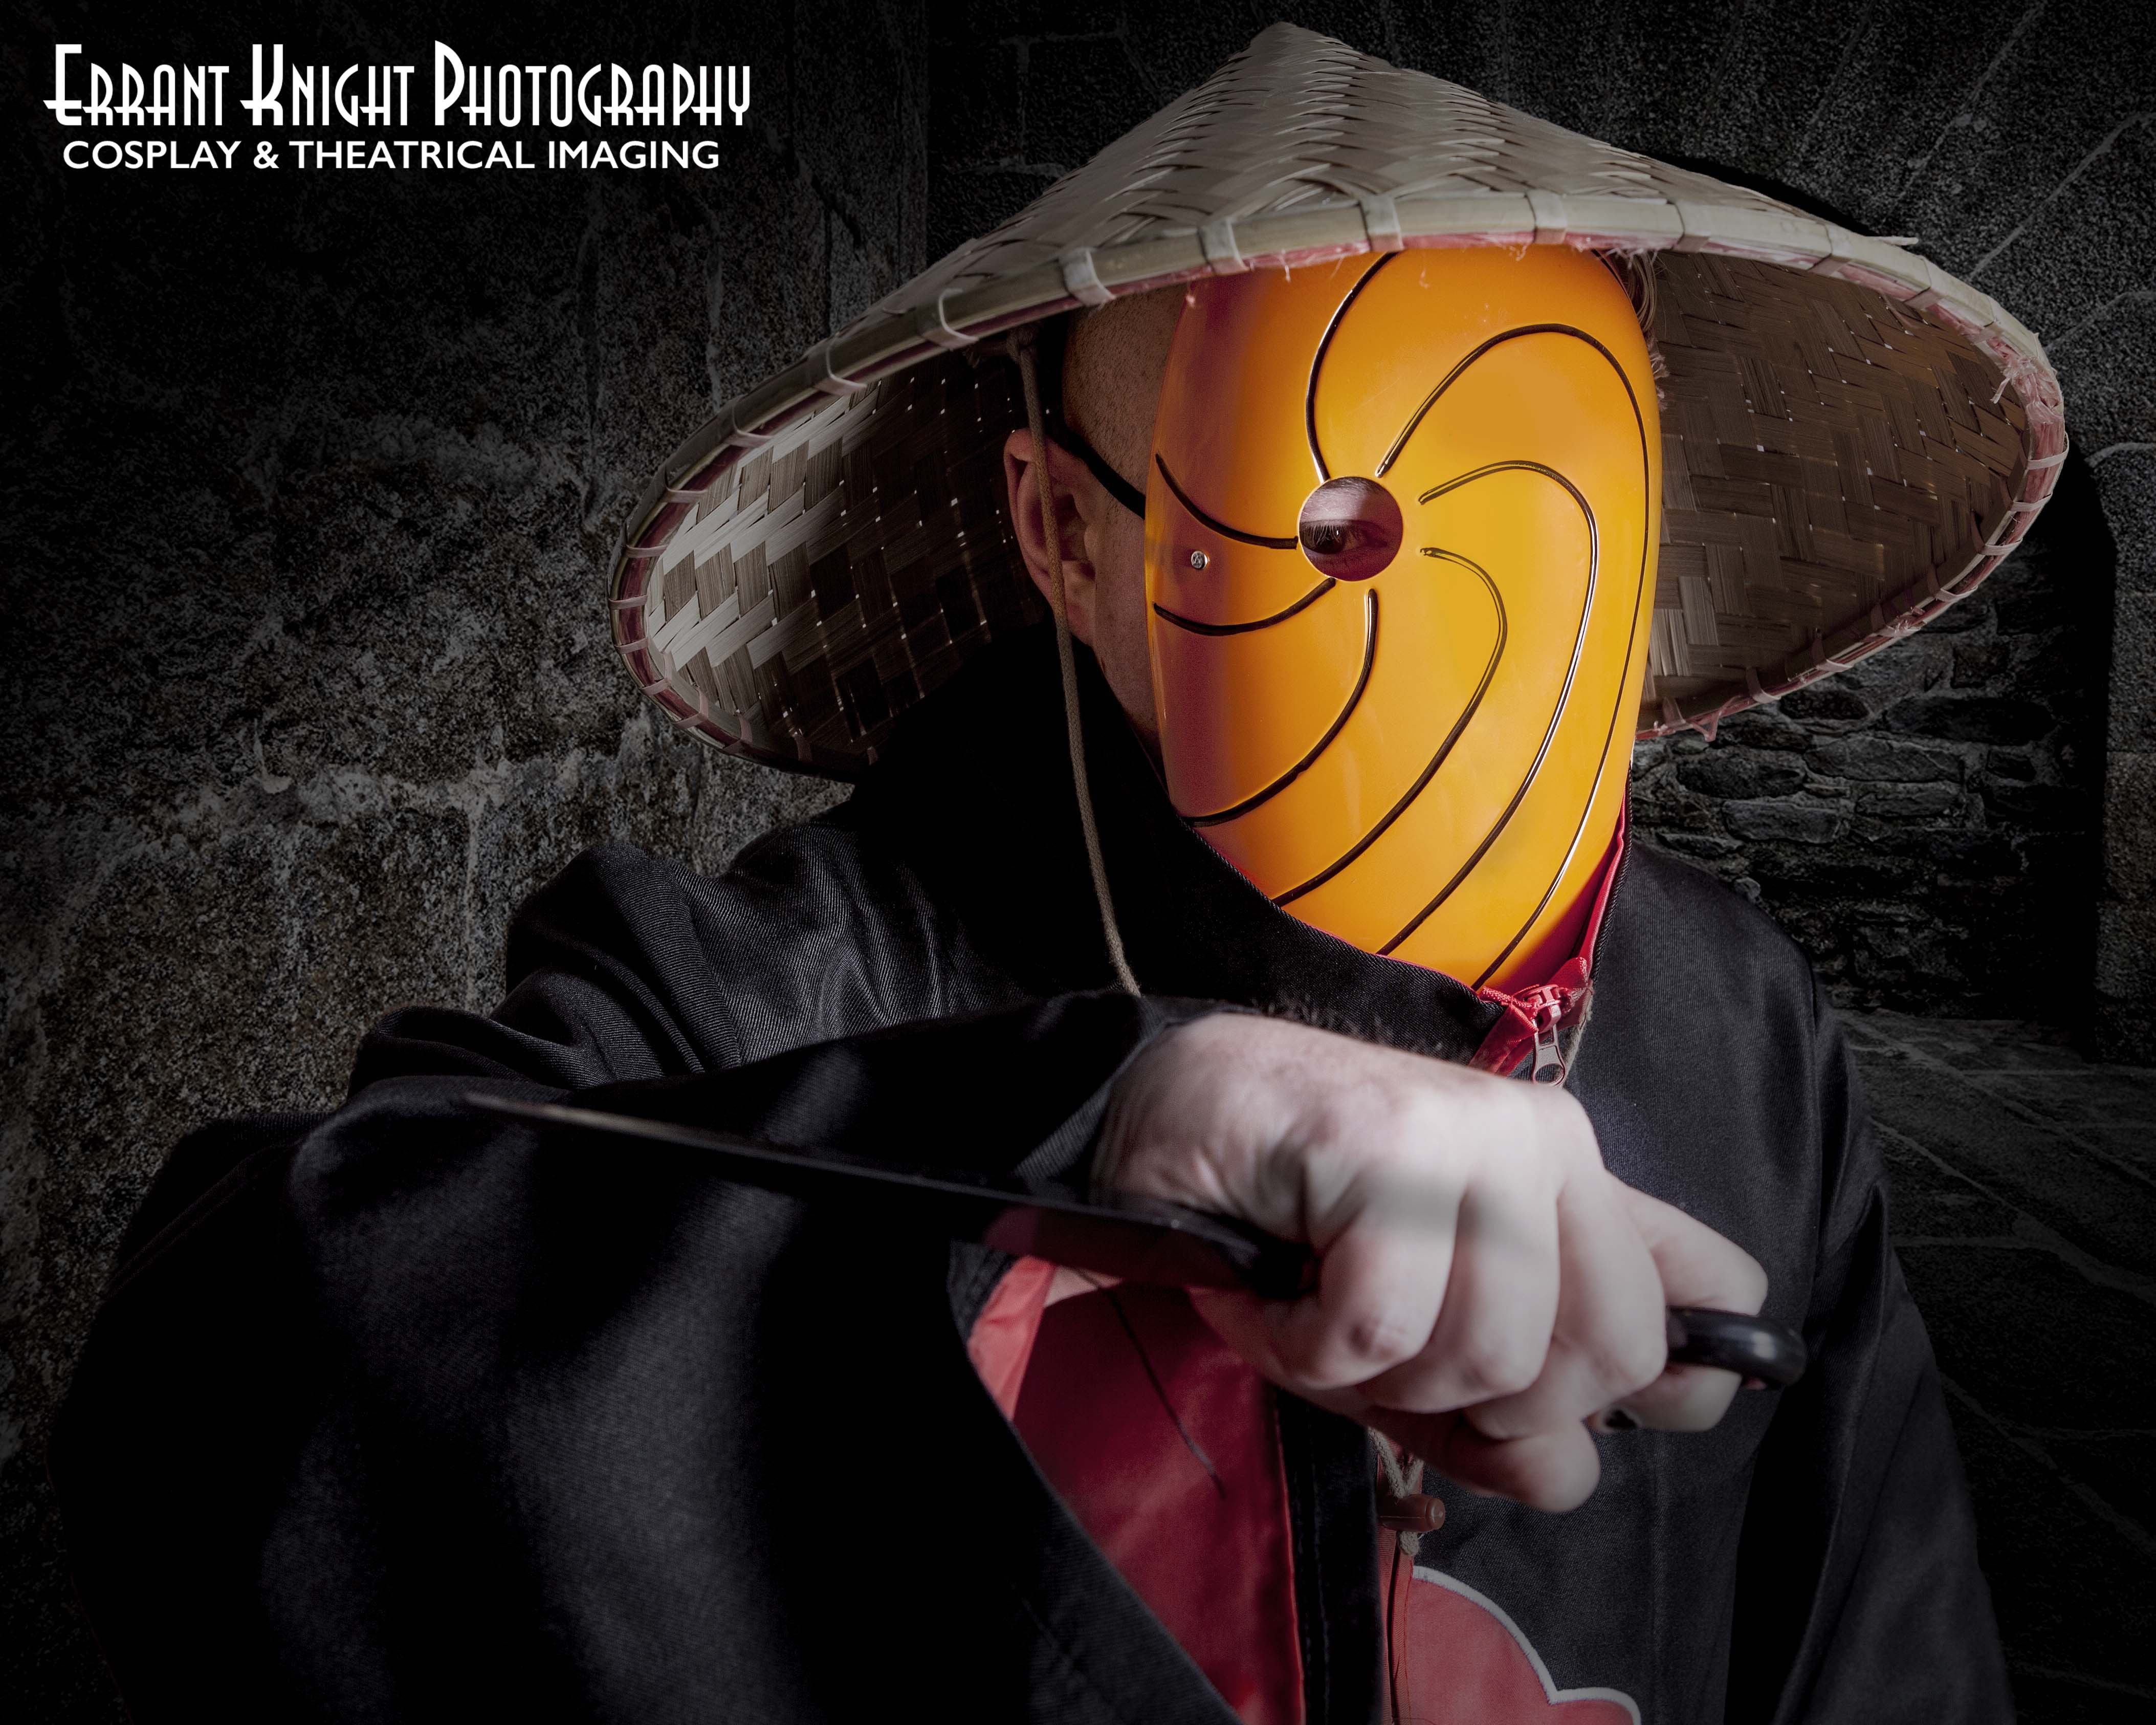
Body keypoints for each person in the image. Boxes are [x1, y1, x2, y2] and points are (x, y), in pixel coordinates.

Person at [56, 24, 2056, 1723]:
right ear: (1062, 539)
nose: (1453, 613)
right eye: (1326, 518)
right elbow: (217, 1389)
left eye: (1549, 492)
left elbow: (1881, 1660)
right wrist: (1086, 1124)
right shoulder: (796, 981)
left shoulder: (1741, 1026)